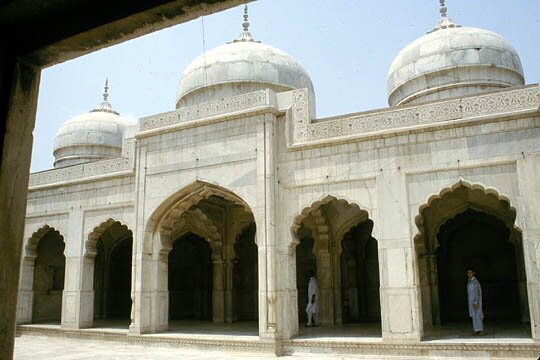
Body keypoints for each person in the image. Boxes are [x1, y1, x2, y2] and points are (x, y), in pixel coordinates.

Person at [466, 268, 484, 335]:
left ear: (473, 273)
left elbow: (477, 292)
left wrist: (476, 301)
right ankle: (476, 329)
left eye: (470, 272)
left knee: (478, 315)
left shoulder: (475, 281)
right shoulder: (469, 281)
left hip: (475, 301)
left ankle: (481, 330)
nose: (469, 274)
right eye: (468, 273)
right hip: (471, 301)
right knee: (474, 316)